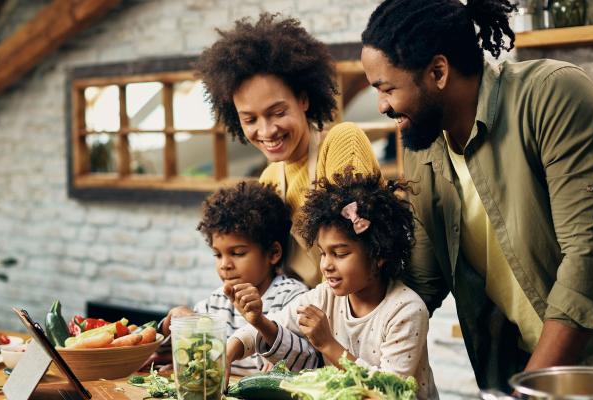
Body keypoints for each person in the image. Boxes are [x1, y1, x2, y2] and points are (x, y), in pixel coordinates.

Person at [360, 0, 593, 391]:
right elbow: (422, 283)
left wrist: (527, 391)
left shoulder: (552, 94)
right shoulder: (424, 145)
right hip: (533, 368)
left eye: (387, 88)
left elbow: (588, 259)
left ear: (438, 72)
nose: (381, 106)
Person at [196, 13, 380, 287]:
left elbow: (356, 246)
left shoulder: (342, 141)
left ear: (303, 99)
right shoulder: (270, 178)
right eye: (250, 119)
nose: (267, 130)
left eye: (278, 112)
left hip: (359, 317)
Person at [226, 169, 438, 399]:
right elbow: (272, 324)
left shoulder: (405, 310)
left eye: (340, 253)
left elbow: (389, 392)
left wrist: (328, 344)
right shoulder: (325, 296)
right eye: (322, 253)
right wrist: (227, 355)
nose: (326, 265)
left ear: (378, 254)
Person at [157, 181, 309, 375]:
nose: (225, 265)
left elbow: (306, 358)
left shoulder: (292, 297)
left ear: (273, 253)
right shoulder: (217, 301)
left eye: (237, 253)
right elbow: (164, 353)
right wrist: (170, 324)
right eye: (218, 255)